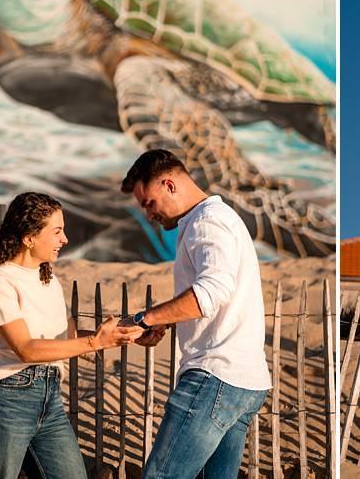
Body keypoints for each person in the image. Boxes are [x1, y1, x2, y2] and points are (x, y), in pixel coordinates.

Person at [119, 150, 272, 479]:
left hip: (215, 376)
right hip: (242, 380)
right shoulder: (214, 219)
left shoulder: (208, 221)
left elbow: (212, 292)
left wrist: (147, 318)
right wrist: (167, 320)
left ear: (169, 184)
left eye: (149, 203)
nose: (149, 215)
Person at [0, 192, 142, 479]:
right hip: (9, 401)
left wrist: (121, 335)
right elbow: (26, 349)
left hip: (50, 401)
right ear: (29, 237)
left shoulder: (49, 280)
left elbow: (68, 337)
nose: (65, 239)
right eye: (57, 231)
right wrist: (97, 342)